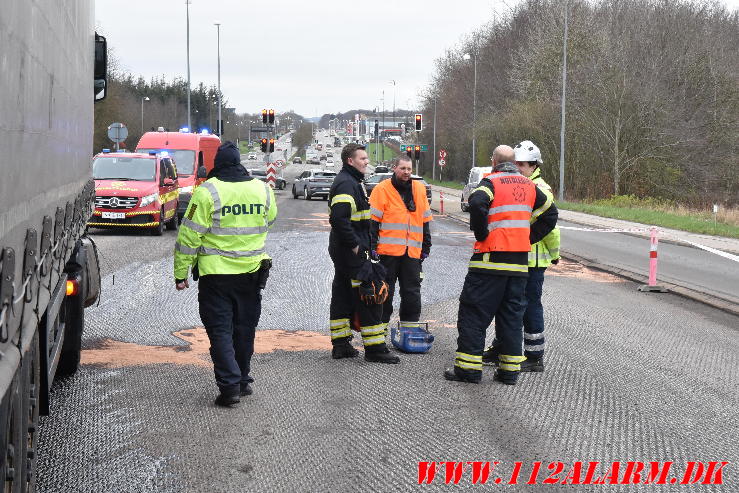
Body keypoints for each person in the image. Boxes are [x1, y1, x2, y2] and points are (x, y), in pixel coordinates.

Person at [174, 141, 277, 407]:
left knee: (220, 331)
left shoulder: (207, 191)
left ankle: (230, 387)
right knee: (244, 330)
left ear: (217, 164)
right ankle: (242, 381)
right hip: (252, 274)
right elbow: (271, 218)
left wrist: (180, 272)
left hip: (216, 277)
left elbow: (189, 236)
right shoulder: (262, 189)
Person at [444, 145, 557, 385]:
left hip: (489, 263)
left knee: (473, 315)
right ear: (515, 162)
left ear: (494, 161)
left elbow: (476, 203)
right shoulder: (530, 186)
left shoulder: (490, 182)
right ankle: (508, 373)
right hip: (518, 267)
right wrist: (527, 238)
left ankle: (468, 370)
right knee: (511, 318)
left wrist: (482, 233)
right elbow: (550, 213)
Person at [483, 140, 561, 372]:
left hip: (532, 259)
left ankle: (534, 356)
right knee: (507, 305)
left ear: (533, 165)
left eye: (521, 164)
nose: (517, 167)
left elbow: (551, 227)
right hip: (513, 256)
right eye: (514, 163)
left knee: (529, 307)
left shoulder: (541, 189)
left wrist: (554, 254)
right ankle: (502, 347)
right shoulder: (519, 183)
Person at [328, 143, 399, 364]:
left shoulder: (352, 181)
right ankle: (375, 348)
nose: (367, 162)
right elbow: (339, 219)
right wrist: (356, 246)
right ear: (350, 161)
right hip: (350, 251)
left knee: (342, 293)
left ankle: (341, 344)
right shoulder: (346, 184)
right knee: (370, 293)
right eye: (363, 159)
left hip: (344, 250)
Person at [369, 155, 432, 337]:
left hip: (412, 253)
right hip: (387, 253)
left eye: (409, 169)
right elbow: (372, 223)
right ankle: (378, 332)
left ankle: (409, 332)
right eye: (403, 168)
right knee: (385, 292)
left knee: (412, 292)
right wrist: (372, 247)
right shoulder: (382, 189)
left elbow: (425, 219)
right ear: (394, 168)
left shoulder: (418, 189)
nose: (406, 173)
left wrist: (426, 246)